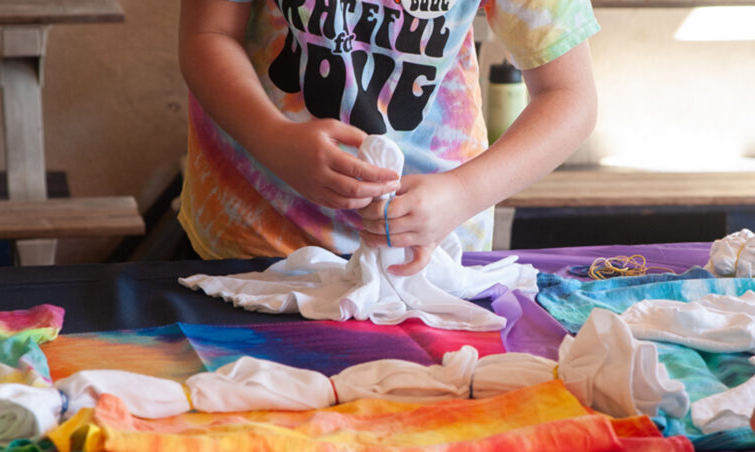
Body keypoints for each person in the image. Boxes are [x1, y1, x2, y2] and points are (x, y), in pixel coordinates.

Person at [177, 0, 599, 275]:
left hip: (433, 247)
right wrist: (273, 139)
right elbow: (208, 35)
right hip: (256, 240)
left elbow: (569, 98)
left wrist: (462, 193)